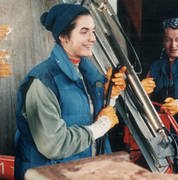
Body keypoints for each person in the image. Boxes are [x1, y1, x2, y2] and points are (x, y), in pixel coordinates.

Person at [14, 3, 126, 179]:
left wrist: (111, 96)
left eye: (93, 31)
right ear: (64, 37)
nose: (93, 38)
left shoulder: (89, 76)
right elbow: (53, 144)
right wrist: (100, 126)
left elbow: (96, 116)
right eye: (84, 31)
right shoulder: (43, 82)